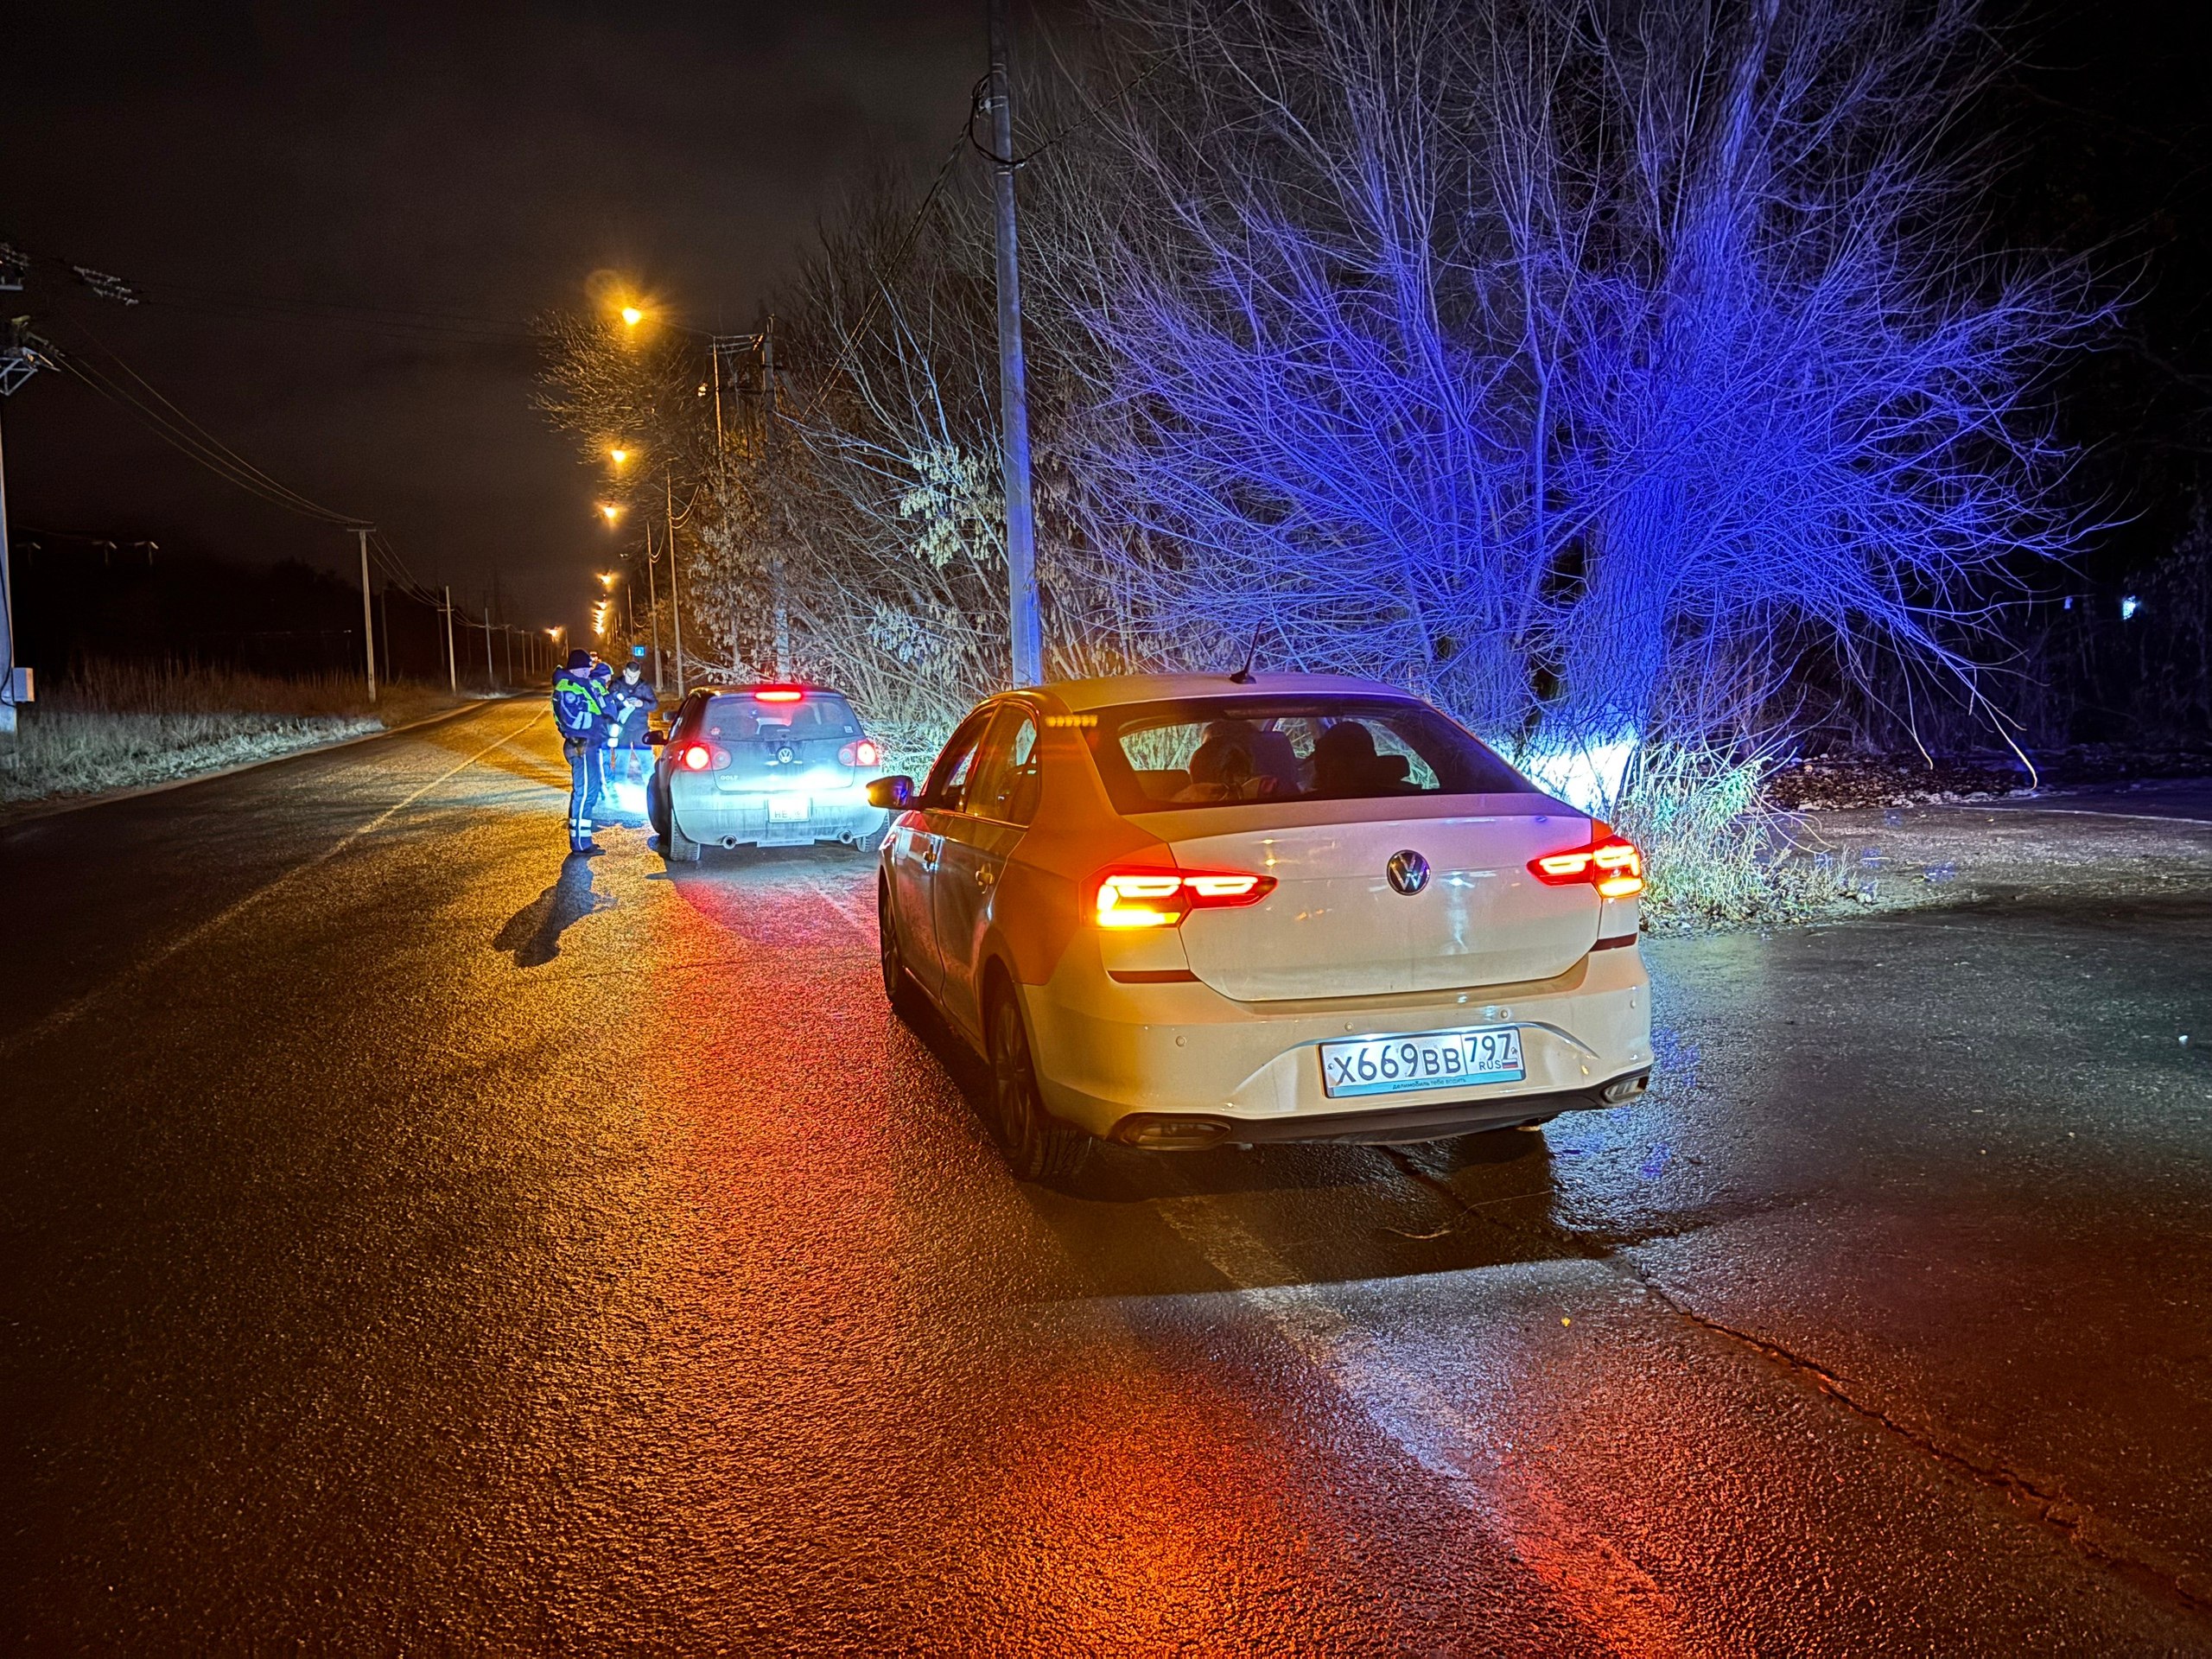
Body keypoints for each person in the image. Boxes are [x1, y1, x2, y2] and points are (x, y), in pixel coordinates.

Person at [551, 649, 607, 853]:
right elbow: (574, 720)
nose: (587, 672)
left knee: (590, 792)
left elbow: (600, 709)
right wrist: (599, 720)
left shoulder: (581, 685)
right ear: (573, 669)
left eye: (588, 669)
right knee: (583, 794)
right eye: (583, 669)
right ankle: (579, 843)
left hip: (588, 744)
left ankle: (584, 840)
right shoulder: (568, 688)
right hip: (580, 745)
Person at [606, 651, 658, 785]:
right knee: (621, 762)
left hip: (641, 729)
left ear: (639, 674)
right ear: (625, 672)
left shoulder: (644, 687)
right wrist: (622, 704)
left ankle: (651, 787)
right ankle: (620, 788)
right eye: (629, 676)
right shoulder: (616, 685)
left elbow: (654, 705)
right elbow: (608, 704)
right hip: (622, 730)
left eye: (635, 677)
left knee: (646, 760)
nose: (632, 679)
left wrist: (642, 704)